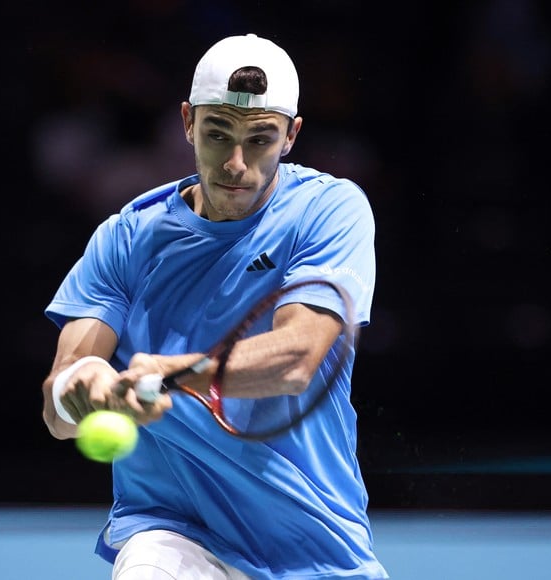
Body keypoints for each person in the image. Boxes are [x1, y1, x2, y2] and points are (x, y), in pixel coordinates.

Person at [42, 33, 388, 580]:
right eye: (217, 133)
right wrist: (79, 389)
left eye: (259, 139)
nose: (235, 162)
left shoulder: (330, 209)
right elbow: (59, 409)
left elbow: (298, 358)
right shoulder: (126, 238)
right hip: (173, 534)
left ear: (292, 135)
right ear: (187, 122)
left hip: (317, 542)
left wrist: (172, 375)